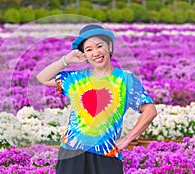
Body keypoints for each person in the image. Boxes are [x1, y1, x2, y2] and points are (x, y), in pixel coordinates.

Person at [37, 24, 157, 174]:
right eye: (89, 49)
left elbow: (150, 110)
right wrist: (66, 60)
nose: (95, 53)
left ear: (110, 47)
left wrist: (128, 139)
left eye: (99, 46)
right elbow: (42, 77)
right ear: (84, 55)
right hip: (71, 153)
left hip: (106, 154)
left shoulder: (126, 79)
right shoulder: (76, 78)